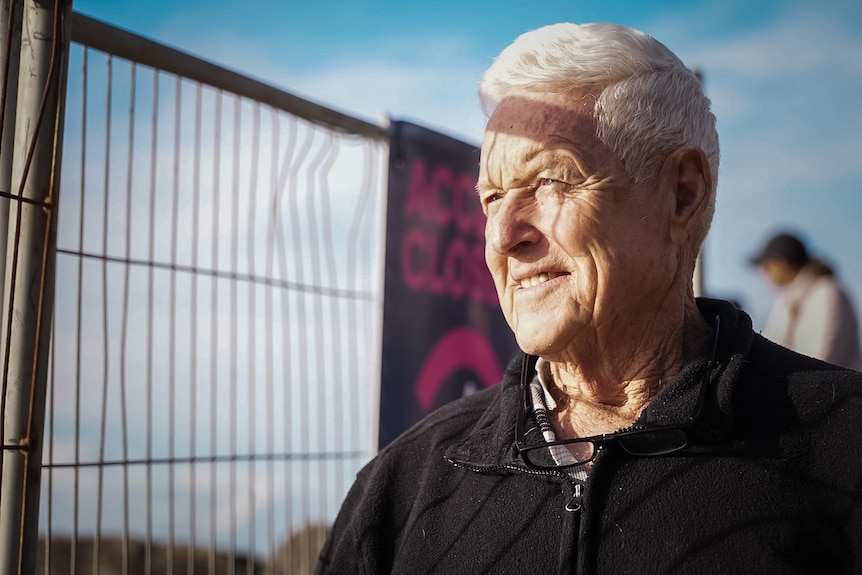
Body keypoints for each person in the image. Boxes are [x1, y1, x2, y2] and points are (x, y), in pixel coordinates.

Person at [316, 22, 862, 574]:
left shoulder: (843, 445)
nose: (505, 236)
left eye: (553, 180)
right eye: (493, 198)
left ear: (682, 194)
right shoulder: (404, 485)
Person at [750, 231, 862, 370]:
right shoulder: (787, 300)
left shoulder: (827, 294)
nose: (764, 274)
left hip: (835, 390)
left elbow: (823, 364)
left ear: (782, 263)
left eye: (767, 267)